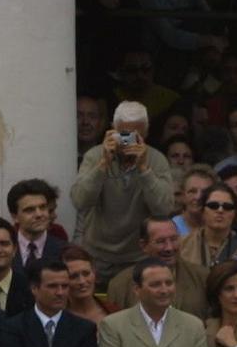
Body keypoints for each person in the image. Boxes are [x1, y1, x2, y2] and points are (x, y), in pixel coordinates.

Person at [71, 100, 178, 281]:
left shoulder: (156, 160)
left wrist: (144, 170)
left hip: (138, 257)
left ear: (146, 132)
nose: (129, 140)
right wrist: (103, 164)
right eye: (124, 134)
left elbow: (164, 210)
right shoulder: (95, 156)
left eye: (136, 134)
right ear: (112, 129)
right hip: (97, 256)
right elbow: (80, 200)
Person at [107, 217, 208, 320]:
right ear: (144, 246)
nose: (169, 247)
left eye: (174, 239)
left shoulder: (202, 278)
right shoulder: (121, 284)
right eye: (160, 241)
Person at [8, 178, 65, 274]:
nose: (39, 214)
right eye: (30, 210)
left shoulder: (64, 250)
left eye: (43, 207)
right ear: (15, 217)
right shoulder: (1, 250)